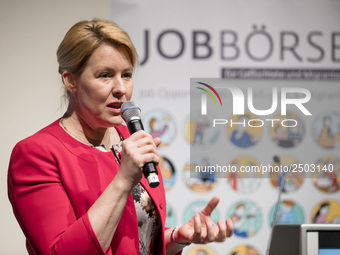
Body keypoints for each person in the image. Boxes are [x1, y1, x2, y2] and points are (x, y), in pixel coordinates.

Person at [7, 19, 233, 255]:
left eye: (126, 75)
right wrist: (123, 180)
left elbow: (133, 241)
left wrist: (177, 237)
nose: (121, 88)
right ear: (70, 80)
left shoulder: (129, 137)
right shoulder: (37, 154)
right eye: (105, 75)